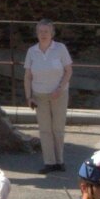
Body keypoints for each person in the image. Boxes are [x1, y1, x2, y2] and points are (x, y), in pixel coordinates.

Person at [23, 20, 73, 172]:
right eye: (40, 32)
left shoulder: (60, 48)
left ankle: (60, 160)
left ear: (52, 34)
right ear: (37, 34)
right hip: (39, 95)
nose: (43, 35)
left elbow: (68, 71)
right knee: (45, 129)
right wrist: (28, 96)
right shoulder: (32, 51)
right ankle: (49, 162)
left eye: (46, 32)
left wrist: (60, 88)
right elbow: (27, 76)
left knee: (58, 128)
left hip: (59, 94)